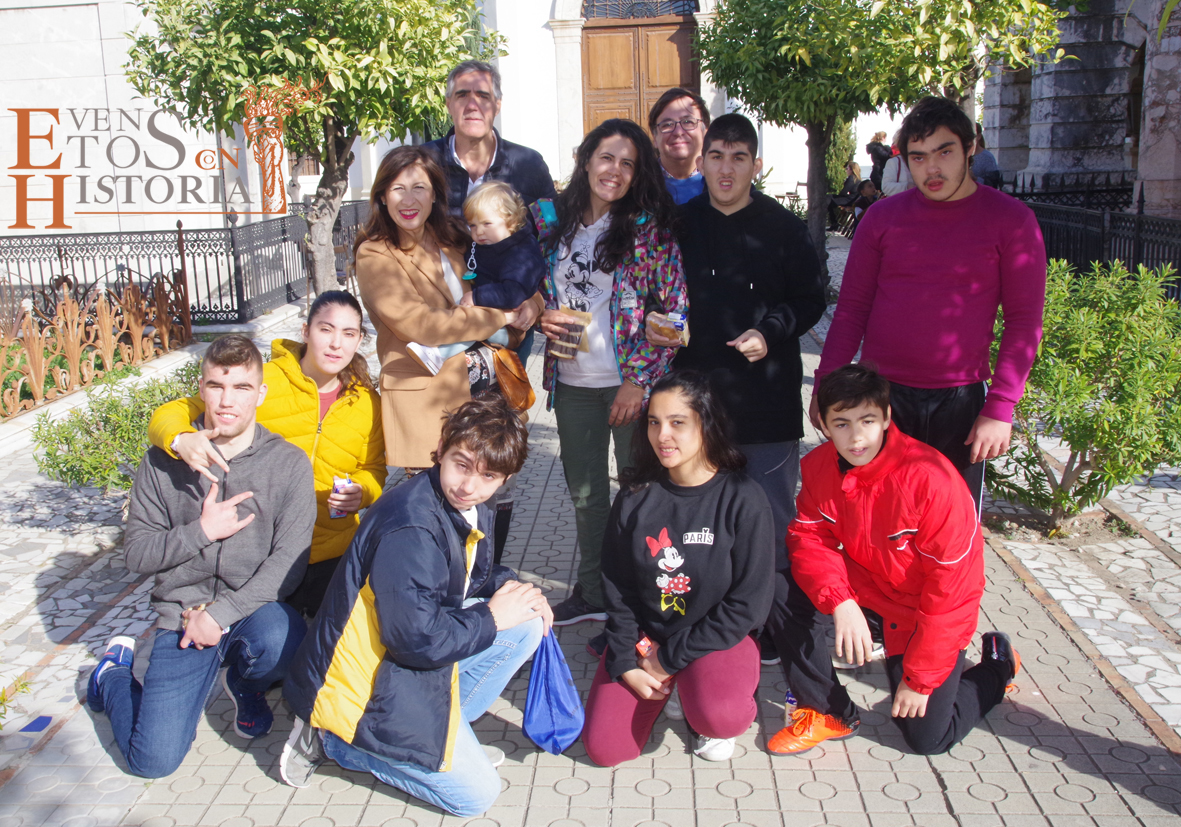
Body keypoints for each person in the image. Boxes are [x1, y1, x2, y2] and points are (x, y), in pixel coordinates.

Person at [280, 397, 552, 817]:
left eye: (488, 476)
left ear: (505, 478)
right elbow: (413, 640)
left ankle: (444, 735)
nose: (469, 485)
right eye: (461, 465)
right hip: (360, 679)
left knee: (526, 621)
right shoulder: (411, 526)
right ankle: (333, 741)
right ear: (441, 449)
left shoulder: (466, 501)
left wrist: (520, 591)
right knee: (475, 796)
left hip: (404, 649)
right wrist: (492, 615)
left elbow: (471, 573)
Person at [87, 335, 315, 777]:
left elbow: (289, 564)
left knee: (286, 637)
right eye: (216, 386)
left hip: (249, 610)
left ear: (261, 394)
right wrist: (202, 532)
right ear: (201, 388)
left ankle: (244, 683)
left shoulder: (288, 464)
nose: (227, 401)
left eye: (241, 388)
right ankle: (112, 674)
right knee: (152, 762)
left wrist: (221, 614)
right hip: (182, 616)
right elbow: (137, 555)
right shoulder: (162, 463)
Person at [766, 364, 1020, 756]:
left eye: (867, 421)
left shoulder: (932, 481)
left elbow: (952, 593)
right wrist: (840, 601)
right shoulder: (817, 466)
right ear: (824, 425)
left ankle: (998, 666)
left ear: (886, 417)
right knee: (779, 584)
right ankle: (829, 710)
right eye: (842, 424)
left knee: (928, 737)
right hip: (865, 593)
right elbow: (809, 538)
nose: (856, 437)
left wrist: (919, 680)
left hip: (917, 611)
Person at [813, 96, 1047, 513]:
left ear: (970, 147)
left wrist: (1001, 407)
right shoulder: (882, 219)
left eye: (944, 152)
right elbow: (851, 310)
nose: (932, 169)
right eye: (918, 157)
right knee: (876, 521)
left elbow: (1024, 322)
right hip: (880, 398)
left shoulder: (1011, 221)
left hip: (959, 402)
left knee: (948, 525)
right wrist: (825, 384)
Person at [655, 113, 825, 665]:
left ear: (756, 164)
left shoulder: (783, 228)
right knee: (696, 521)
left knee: (770, 520)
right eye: (716, 157)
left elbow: (810, 298)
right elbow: (653, 292)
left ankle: (778, 626)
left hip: (764, 403)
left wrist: (771, 331)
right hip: (693, 405)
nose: (726, 169)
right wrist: (656, 324)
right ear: (701, 162)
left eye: (738, 157)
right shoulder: (677, 225)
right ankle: (698, 618)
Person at [533, 118, 688, 626]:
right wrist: (537, 310)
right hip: (571, 385)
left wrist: (638, 381)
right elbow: (521, 279)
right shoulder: (551, 222)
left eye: (628, 164)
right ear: (585, 160)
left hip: (629, 389)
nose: (615, 171)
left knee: (641, 495)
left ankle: (641, 603)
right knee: (586, 497)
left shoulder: (649, 231)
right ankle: (594, 592)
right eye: (606, 158)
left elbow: (675, 315)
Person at [147, 292, 386, 617]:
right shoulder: (264, 381)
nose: (336, 344)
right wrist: (181, 439)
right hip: (263, 552)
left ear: (359, 340)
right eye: (325, 329)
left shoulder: (367, 402)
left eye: (348, 334)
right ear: (306, 331)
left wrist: (362, 491)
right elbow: (172, 412)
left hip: (333, 551)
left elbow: (374, 468)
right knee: (273, 640)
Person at [582, 371, 775, 765]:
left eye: (677, 422)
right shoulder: (635, 496)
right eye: (654, 422)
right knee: (605, 749)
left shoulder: (744, 498)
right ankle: (676, 686)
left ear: (707, 424)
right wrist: (625, 660)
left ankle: (701, 690)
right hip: (648, 638)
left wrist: (669, 660)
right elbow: (617, 588)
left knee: (721, 717)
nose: (662, 435)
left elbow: (749, 605)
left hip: (715, 639)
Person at [355, 146, 543, 526]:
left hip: (487, 394)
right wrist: (502, 315)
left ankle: (484, 567)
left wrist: (533, 303)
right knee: (438, 518)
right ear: (382, 196)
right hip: (430, 402)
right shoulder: (375, 255)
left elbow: (510, 272)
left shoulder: (457, 236)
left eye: (419, 188)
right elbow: (423, 325)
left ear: (435, 194)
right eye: (398, 189)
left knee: (492, 506)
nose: (409, 200)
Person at [405, 181, 547, 375]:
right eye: (472, 225)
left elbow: (513, 292)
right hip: (492, 318)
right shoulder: (485, 244)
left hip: (509, 327)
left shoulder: (521, 252)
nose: (479, 232)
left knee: (474, 326)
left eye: (487, 224)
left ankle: (438, 355)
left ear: (511, 221)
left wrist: (476, 296)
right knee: (474, 323)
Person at [423, 60, 557, 214]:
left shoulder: (530, 166)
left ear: (497, 106)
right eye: (462, 95)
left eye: (483, 96)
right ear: (449, 105)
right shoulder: (423, 162)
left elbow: (551, 225)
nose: (472, 106)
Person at [648, 87, 712, 204]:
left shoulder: (722, 182)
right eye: (667, 124)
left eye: (688, 122)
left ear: (705, 132)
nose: (678, 132)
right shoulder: (639, 186)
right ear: (654, 137)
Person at [879, 132, 914, 197]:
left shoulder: (921, 161)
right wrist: (907, 186)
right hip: (902, 201)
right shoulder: (894, 162)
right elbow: (886, 187)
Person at [827, 161, 860, 230]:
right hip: (853, 199)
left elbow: (844, 192)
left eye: (847, 169)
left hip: (850, 200)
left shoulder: (851, 178)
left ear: (852, 170)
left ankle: (834, 223)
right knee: (829, 200)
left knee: (828, 198)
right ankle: (834, 223)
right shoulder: (857, 179)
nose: (846, 170)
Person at [972, 122, 1002, 189]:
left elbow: (993, 184)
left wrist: (974, 178)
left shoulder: (987, 157)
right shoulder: (959, 155)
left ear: (978, 137)